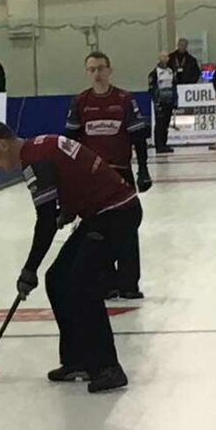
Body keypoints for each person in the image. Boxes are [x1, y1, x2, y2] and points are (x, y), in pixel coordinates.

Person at [0, 122, 140, 393]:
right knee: (58, 279)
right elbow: (75, 178)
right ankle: (78, 361)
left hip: (115, 213)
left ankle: (107, 366)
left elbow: (46, 221)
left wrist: (29, 269)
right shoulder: (41, 145)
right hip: (101, 213)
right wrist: (70, 209)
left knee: (81, 285)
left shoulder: (34, 160)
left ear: (2, 144)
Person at [65, 51, 151, 300]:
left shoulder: (124, 100)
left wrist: (143, 169)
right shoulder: (80, 102)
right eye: (92, 69)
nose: (97, 73)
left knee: (127, 228)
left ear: (109, 70)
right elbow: (70, 142)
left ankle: (128, 283)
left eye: (101, 68)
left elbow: (138, 137)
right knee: (97, 230)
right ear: (87, 72)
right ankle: (106, 281)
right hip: (91, 178)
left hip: (120, 173)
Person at [148, 50, 178, 154]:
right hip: (160, 102)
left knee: (166, 124)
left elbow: (174, 86)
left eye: (166, 57)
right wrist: (156, 101)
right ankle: (159, 145)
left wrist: (175, 101)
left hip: (169, 101)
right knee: (159, 124)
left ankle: (164, 144)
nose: (164, 59)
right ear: (159, 58)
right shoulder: (154, 73)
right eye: (162, 57)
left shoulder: (171, 71)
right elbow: (151, 89)